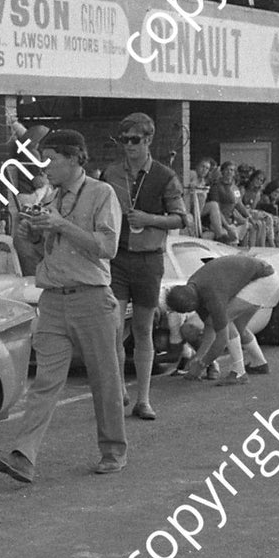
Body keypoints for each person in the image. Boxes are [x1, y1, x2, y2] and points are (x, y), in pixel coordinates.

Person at [0, 128, 126, 482]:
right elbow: (38, 252)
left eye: (51, 160)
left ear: (76, 158)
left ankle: (113, 450)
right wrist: (27, 233)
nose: (44, 167)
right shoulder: (49, 198)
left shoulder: (101, 193)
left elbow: (107, 247)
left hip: (91, 298)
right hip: (52, 300)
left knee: (104, 379)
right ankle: (23, 456)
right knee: (45, 380)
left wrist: (60, 224)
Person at [99, 112, 187, 422]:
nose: (128, 146)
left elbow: (181, 217)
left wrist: (149, 219)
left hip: (149, 260)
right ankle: (119, 388)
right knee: (112, 328)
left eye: (134, 140)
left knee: (142, 329)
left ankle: (144, 398)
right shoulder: (110, 174)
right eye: (123, 140)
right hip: (118, 258)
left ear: (148, 140)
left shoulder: (164, 176)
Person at [166, 254, 277, 385]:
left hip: (263, 278)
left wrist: (202, 364)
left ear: (191, 305)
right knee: (238, 327)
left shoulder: (212, 296)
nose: (189, 313)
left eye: (187, 311)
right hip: (259, 275)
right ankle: (259, 364)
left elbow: (221, 339)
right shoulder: (193, 289)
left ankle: (239, 373)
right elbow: (210, 327)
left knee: (227, 321)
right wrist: (198, 357)